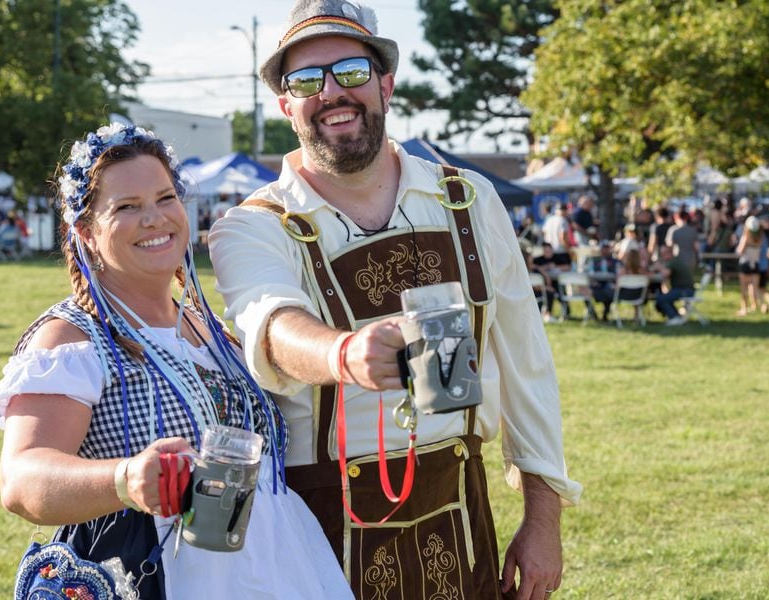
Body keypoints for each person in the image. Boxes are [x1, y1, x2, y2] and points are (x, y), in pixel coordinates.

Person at [208, 2, 581, 598]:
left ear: (385, 84)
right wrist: (343, 355)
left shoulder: (469, 200)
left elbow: (526, 366)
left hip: (460, 510)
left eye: (351, 72)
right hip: (319, 530)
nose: (331, 93)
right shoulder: (253, 226)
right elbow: (272, 326)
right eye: (306, 80)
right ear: (286, 105)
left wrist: (543, 516)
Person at [0, 124, 351, 600]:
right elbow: (21, 479)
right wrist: (125, 478)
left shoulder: (209, 328)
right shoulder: (74, 336)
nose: (155, 218)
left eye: (165, 198)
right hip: (160, 573)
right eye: (127, 207)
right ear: (86, 234)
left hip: (278, 562)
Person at [653, 245, 695, 326]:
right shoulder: (675, 260)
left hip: (684, 290)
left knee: (661, 299)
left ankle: (674, 317)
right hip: (684, 289)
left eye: (664, 253)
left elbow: (665, 274)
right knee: (663, 297)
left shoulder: (673, 262)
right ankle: (677, 317)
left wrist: (659, 267)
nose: (662, 256)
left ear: (669, 253)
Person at [735, 216, 766, 316]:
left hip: (745, 264)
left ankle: (744, 309)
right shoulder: (760, 238)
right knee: (755, 288)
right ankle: (759, 305)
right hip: (755, 265)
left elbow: (740, 251)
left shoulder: (746, 237)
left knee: (744, 288)